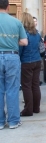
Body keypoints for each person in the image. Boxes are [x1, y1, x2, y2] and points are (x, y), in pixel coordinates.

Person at [0, 0, 28, 129]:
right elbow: (24, 42)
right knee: (12, 89)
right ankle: (13, 121)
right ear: (8, 7)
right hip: (12, 56)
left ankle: (0, 122)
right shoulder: (16, 22)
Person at [19, 12, 42, 116]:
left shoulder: (23, 33)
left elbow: (21, 49)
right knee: (35, 85)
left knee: (26, 86)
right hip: (37, 61)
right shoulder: (36, 33)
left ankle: (28, 110)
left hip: (27, 61)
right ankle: (36, 108)